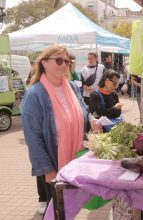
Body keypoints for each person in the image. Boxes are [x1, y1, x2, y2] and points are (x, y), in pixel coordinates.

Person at [21, 45, 100, 215]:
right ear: (44, 63)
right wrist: (47, 170)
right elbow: (32, 138)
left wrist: (91, 120)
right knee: (56, 211)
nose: (63, 64)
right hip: (54, 165)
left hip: (76, 160)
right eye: (58, 60)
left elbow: (83, 108)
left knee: (69, 210)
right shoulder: (35, 94)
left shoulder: (70, 86)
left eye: (66, 61)